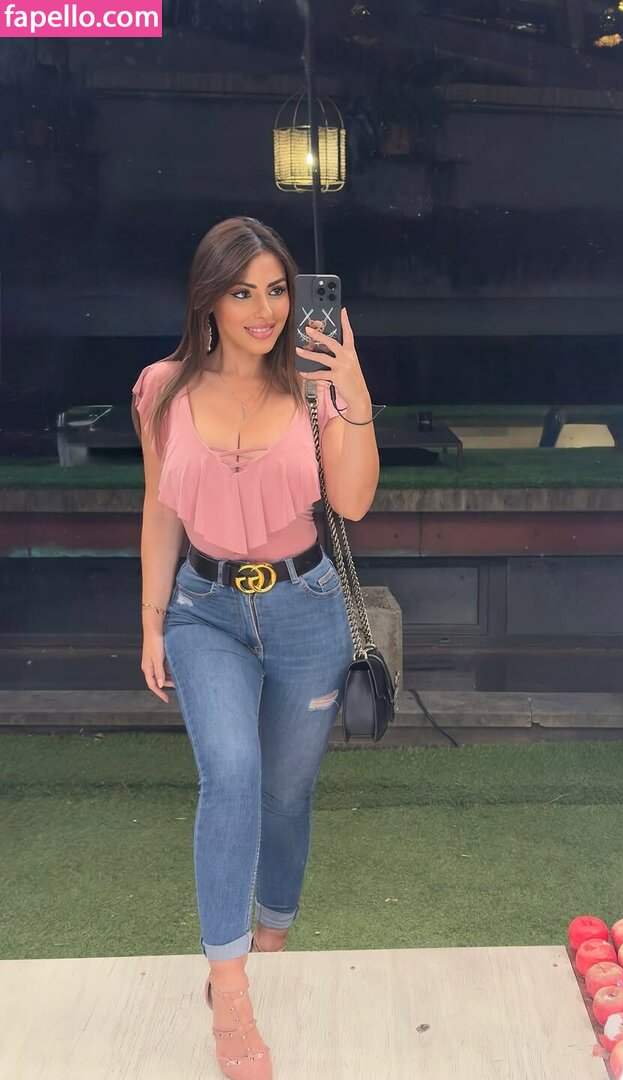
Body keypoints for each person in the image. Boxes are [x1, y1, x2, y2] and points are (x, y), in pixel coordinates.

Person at [131, 216, 380, 1079]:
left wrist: (352, 388)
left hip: (305, 607)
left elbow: (352, 502)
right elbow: (160, 507)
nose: (266, 309)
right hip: (204, 613)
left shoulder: (315, 390)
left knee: (284, 791)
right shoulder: (161, 389)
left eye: (277, 289)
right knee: (232, 775)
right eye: (243, 292)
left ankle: (273, 931)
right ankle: (230, 990)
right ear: (208, 299)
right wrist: (151, 618)